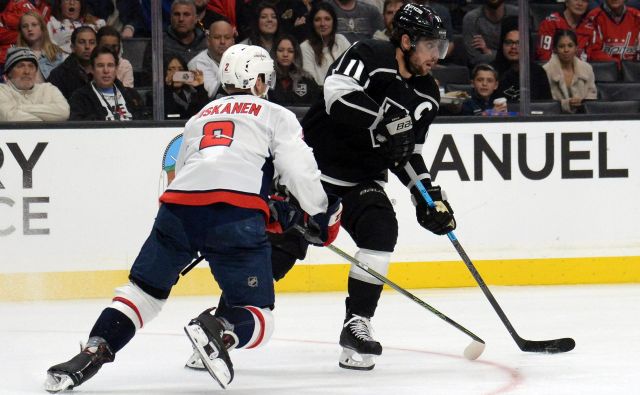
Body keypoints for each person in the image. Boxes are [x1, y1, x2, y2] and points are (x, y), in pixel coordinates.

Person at [43, 43, 342, 393]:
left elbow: (186, 171)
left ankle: (94, 350)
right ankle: (222, 329)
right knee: (260, 315)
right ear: (259, 80)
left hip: (177, 209)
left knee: (143, 293)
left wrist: (248, 214)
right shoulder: (275, 114)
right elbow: (299, 171)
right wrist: (320, 214)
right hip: (235, 216)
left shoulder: (200, 116)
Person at [300, 3, 456, 370]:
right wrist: (384, 118)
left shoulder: (427, 94)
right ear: (406, 41)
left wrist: (426, 195)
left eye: (440, 47)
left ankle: (357, 324)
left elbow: (407, 152)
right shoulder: (369, 53)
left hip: (360, 180)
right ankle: (224, 321)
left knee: (381, 230)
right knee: (278, 253)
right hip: (308, 174)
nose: (436, 55)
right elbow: (336, 95)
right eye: (429, 45)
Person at [68, 46, 143, 120]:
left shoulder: (131, 94)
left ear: (116, 69)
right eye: (100, 66)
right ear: (92, 69)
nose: (106, 71)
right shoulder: (80, 98)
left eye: (110, 65)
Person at [0, 46, 69, 121]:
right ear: (9, 73)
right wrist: (46, 121)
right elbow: (9, 117)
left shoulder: (49, 89)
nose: (27, 71)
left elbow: (64, 113)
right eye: (20, 66)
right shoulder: (2, 91)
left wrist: (19, 107)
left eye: (31, 66)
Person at [492, 17, 552, 103]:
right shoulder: (492, 72)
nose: (513, 47)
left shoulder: (538, 73)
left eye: (519, 43)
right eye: (508, 42)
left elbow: (547, 107)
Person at [543, 29, 597, 114]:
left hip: (583, 119)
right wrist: (566, 104)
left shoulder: (587, 69)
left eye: (570, 45)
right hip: (555, 119)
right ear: (555, 49)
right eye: (561, 46)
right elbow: (545, 104)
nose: (566, 50)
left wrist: (583, 103)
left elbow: (592, 95)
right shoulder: (546, 71)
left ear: (576, 48)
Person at [300, 2, 351, 85]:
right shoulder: (305, 47)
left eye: (327, 19)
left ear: (333, 22)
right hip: (319, 95)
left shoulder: (341, 40)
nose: (323, 24)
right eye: (317, 20)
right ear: (312, 23)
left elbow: (352, 70)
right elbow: (311, 83)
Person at [188, 19, 235, 99]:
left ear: (233, 41)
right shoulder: (197, 62)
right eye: (217, 37)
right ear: (208, 41)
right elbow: (215, 94)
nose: (222, 42)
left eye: (227, 37)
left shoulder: (241, 59)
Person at [462, 0, 518, 66]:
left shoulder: (518, 14)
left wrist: (488, 51)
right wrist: (508, 55)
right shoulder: (471, 19)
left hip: (515, 69)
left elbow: (525, 54)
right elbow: (474, 58)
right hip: (484, 70)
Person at [47, 25, 96, 100]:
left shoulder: (104, 70)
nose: (87, 46)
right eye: (82, 42)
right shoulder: (58, 75)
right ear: (72, 47)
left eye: (92, 42)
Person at [269, 34, 321, 105]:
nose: (285, 54)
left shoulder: (307, 79)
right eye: (281, 50)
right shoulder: (265, 80)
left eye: (290, 51)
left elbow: (317, 105)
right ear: (274, 54)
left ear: (296, 55)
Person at [586, 0, 640, 66]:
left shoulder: (637, 16)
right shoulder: (594, 17)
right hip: (606, 70)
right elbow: (593, 52)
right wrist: (619, 65)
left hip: (633, 71)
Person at [16, 10, 64, 81]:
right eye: (25, 26)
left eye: (34, 25)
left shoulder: (55, 52)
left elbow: (61, 82)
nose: (29, 29)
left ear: (42, 28)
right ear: (21, 31)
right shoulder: (15, 54)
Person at [165, 55, 209, 119]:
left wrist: (200, 87)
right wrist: (167, 87)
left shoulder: (192, 95)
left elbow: (205, 113)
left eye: (181, 69)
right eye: (170, 69)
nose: (176, 73)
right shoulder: (157, 96)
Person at [0, 0, 38, 71]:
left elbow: (34, 20)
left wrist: (4, 18)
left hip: (23, 58)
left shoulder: (22, 3)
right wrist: (21, 34)